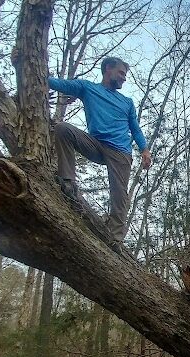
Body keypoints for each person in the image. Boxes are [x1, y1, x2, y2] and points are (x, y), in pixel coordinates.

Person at [48, 57, 152, 250]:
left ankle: (116, 240)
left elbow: (135, 129)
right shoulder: (88, 88)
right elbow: (57, 83)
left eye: (125, 75)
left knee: (119, 196)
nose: (124, 78)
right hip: (95, 144)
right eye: (121, 73)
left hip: (120, 152)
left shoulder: (127, 102)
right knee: (62, 128)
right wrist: (25, 64)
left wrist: (144, 149)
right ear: (107, 69)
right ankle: (68, 181)